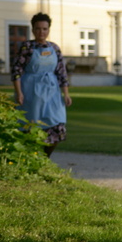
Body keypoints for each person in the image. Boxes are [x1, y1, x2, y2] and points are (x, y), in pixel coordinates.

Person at [12, 12, 72, 157]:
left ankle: (45, 158)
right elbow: (16, 71)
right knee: (31, 125)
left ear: (48, 30)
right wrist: (19, 92)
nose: (41, 32)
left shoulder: (55, 48)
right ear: (33, 30)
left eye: (45, 29)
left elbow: (61, 72)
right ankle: (30, 159)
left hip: (52, 91)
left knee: (57, 123)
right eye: (38, 29)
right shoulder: (26, 47)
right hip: (31, 90)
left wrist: (66, 94)